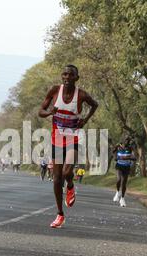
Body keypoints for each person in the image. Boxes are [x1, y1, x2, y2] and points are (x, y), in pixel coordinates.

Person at [39, 65, 99, 228]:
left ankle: (71, 186)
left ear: (76, 78)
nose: (66, 77)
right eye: (64, 74)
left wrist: (84, 120)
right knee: (57, 179)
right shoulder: (54, 90)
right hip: (57, 139)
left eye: (70, 75)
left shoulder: (81, 95)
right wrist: (51, 111)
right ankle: (60, 214)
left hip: (74, 138)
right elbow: (41, 111)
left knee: (67, 172)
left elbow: (95, 105)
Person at [113, 139, 137, 207]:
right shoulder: (118, 148)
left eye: (127, 143)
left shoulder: (130, 149)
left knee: (124, 183)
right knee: (118, 180)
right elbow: (115, 157)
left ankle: (122, 199)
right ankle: (117, 192)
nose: (125, 145)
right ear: (121, 144)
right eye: (124, 144)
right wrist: (118, 157)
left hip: (126, 167)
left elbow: (134, 158)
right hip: (119, 166)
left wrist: (127, 158)